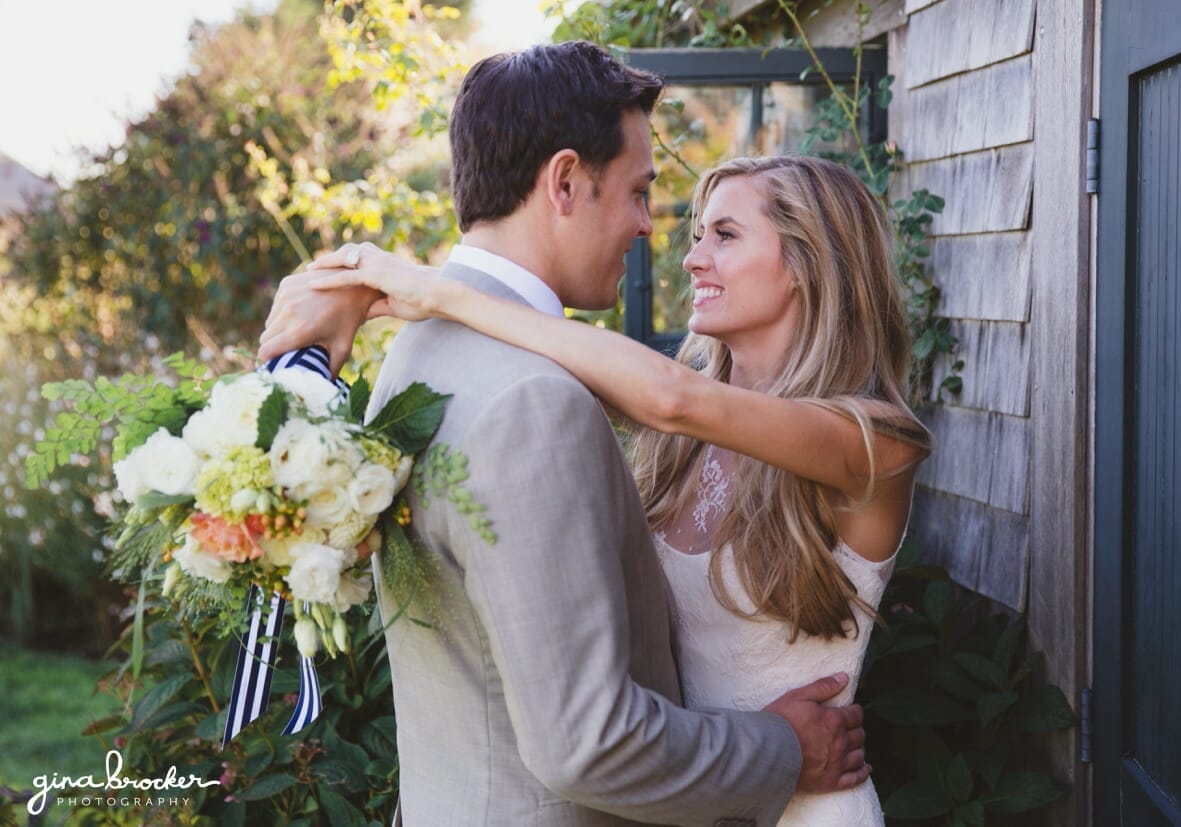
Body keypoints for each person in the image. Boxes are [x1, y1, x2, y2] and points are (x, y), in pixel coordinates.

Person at [261, 43, 872, 826]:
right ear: (564, 181)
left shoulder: (422, 359)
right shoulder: (531, 401)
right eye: (637, 191)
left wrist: (434, 292)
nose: (652, 229)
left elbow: (672, 398)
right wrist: (784, 749)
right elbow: (589, 744)